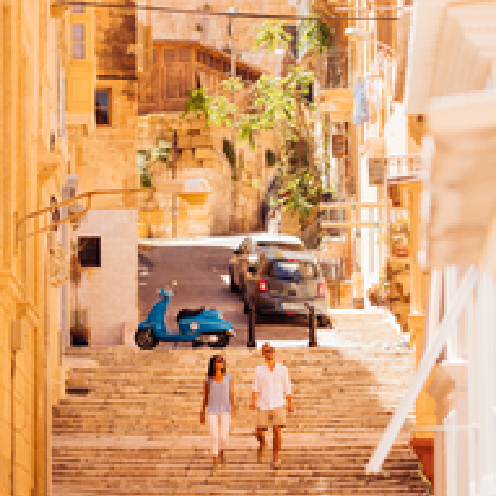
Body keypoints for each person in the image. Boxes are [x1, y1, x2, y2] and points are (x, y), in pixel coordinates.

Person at [250, 343, 293, 469]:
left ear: (274, 352)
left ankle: (276, 457)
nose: (269, 353)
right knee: (258, 432)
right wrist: (253, 400)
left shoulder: (282, 369)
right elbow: (255, 387)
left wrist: (290, 402)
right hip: (263, 403)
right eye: (266, 351)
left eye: (271, 350)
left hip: (278, 402)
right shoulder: (258, 370)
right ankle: (263, 443)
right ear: (263, 354)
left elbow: (287, 386)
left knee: (276, 430)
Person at [200, 355, 236, 468]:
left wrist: (233, 406)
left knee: (224, 436)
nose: (220, 363)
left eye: (221, 361)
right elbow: (205, 396)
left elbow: (231, 393)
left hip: (225, 409)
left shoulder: (229, 377)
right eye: (218, 361)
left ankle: (222, 451)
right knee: (214, 435)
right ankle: (215, 458)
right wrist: (202, 412)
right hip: (212, 410)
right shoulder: (208, 379)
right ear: (214, 364)